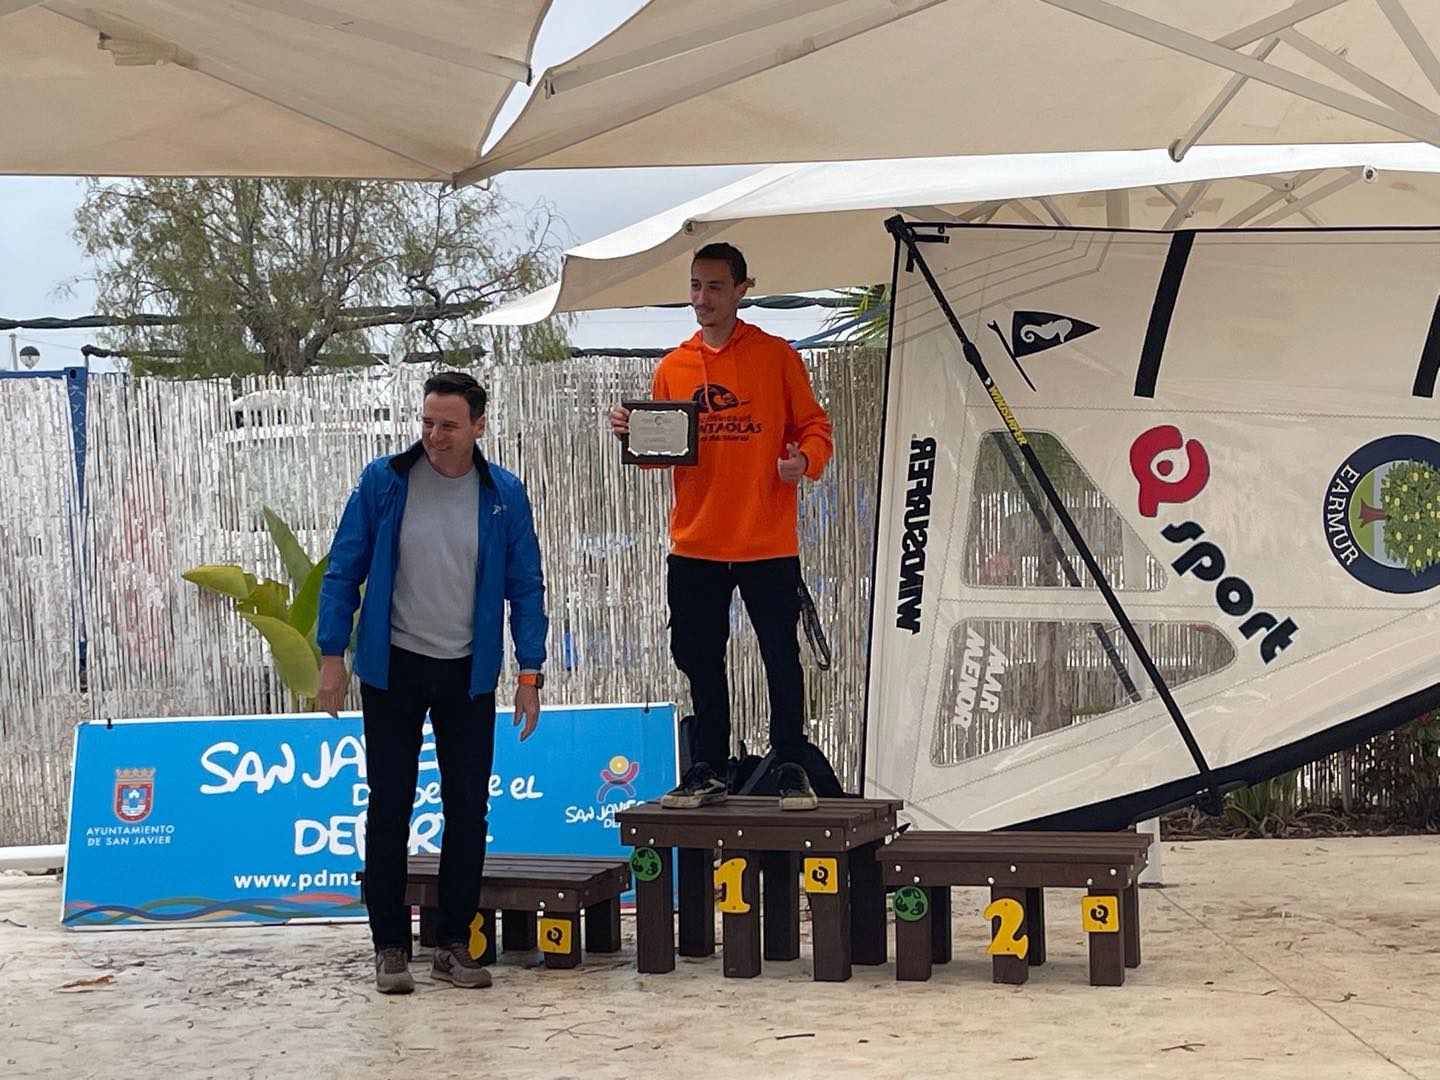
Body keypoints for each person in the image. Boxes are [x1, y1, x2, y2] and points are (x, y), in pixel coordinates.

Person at [317, 371, 547, 995]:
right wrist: (332, 654)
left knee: (468, 809)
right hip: (392, 667)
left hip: (467, 673)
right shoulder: (384, 481)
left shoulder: (503, 495)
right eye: (426, 422)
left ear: (479, 426)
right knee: (389, 805)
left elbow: (526, 587)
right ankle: (389, 946)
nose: (434, 435)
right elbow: (343, 570)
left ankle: (452, 943)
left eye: (448, 425)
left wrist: (529, 672)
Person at [608, 242, 833, 812]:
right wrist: (631, 432)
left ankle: (791, 765)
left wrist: (805, 461)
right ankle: (707, 767)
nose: (702, 298)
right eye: (695, 286)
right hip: (696, 542)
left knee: (780, 657)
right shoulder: (673, 366)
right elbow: (661, 454)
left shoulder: (776, 356)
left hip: (766, 541)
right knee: (698, 658)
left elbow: (815, 425)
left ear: (741, 290)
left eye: (714, 286)